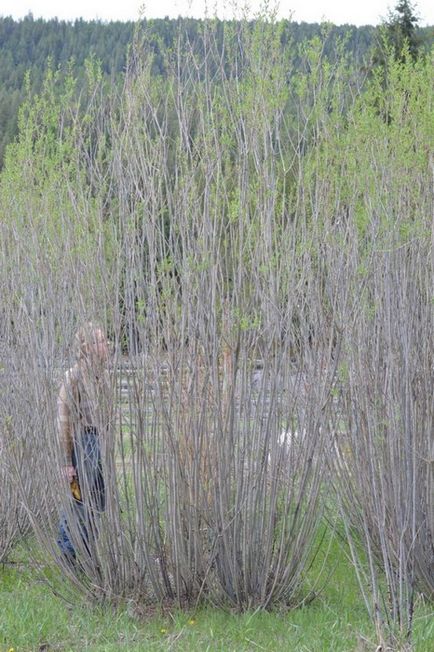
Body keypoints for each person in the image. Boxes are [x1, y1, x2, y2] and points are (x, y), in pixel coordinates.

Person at [57, 322, 111, 565]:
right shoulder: (74, 377)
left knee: (98, 500)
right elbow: (64, 421)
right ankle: (68, 553)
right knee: (78, 500)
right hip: (83, 442)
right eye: (101, 341)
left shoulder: (103, 375)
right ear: (87, 347)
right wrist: (68, 461)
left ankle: (88, 553)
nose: (106, 345)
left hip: (100, 442)